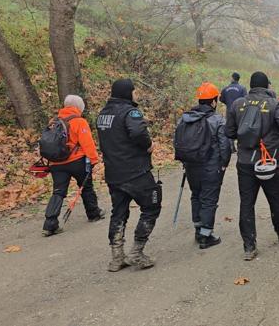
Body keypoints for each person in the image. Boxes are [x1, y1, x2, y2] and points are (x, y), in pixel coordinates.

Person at [225, 71, 279, 260]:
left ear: (250, 85)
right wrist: (276, 140)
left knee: (246, 203)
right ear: (267, 86)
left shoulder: (237, 104)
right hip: (268, 160)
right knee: (276, 199)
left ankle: (249, 247)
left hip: (245, 161)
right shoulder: (274, 103)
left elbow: (229, 132)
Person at [97, 79, 161, 272]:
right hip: (135, 171)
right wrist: (148, 146)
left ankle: (117, 257)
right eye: (134, 91)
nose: (136, 94)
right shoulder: (130, 112)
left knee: (119, 213)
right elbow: (138, 132)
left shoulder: (103, 114)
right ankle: (137, 252)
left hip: (113, 172)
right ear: (127, 92)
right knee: (152, 206)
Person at [176, 82, 232, 249]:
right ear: (214, 102)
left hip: (191, 165)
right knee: (209, 199)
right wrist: (224, 164)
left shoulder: (185, 118)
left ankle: (198, 229)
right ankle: (205, 237)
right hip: (211, 166)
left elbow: (180, 142)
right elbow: (225, 145)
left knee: (196, 195)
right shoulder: (217, 119)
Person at [42, 95, 104, 237]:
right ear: (78, 108)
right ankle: (93, 213)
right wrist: (94, 160)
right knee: (86, 187)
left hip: (56, 163)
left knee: (58, 191)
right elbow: (87, 143)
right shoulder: (79, 122)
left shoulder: (53, 122)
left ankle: (50, 224)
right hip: (77, 161)